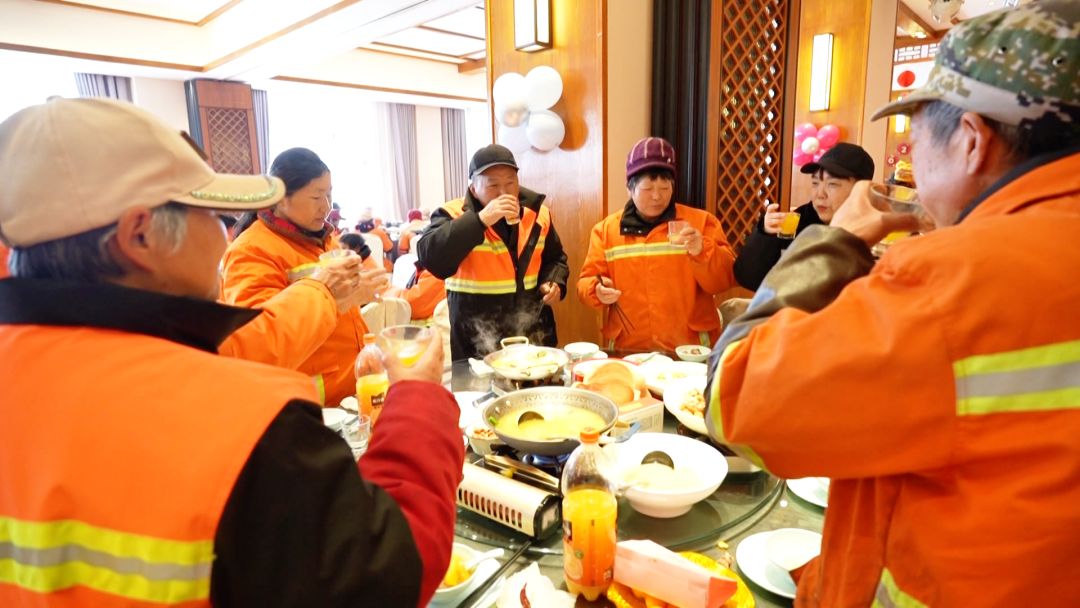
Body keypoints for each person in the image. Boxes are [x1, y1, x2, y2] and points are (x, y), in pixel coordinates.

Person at [0, 98, 464, 607]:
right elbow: (384, 575)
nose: (225, 240)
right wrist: (417, 397)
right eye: (213, 216)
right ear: (140, 235)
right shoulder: (239, 419)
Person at [705, 2, 1080, 605]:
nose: (906, 156)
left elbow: (737, 400)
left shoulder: (951, 276)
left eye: (916, 132)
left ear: (971, 140)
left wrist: (838, 240)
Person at [222, 148, 387, 406]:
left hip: (348, 395)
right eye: (316, 197)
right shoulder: (252, 250)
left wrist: (358, 294)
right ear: (280, 199)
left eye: (329, 195)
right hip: (307, 404)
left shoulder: (324, 240)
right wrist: (337, 296)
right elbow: (258, 343)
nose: (327, 206)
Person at [577, 137, 737, 351]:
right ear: (629, 188)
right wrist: (596, 290)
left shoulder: (701, 223)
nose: (657, 196)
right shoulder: (606, 231)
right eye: (647, 188)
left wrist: (702, 250)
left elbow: (725, 280)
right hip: (630, 349)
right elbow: (585, 282)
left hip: (690, 350)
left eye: (665, 187)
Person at [418, 144, 569, 360]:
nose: (504, 193)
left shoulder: (538, 214)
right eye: (493, 185)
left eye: (510, 182)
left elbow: (556, 259)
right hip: (475, 344)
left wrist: (554, 282)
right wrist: (481, 220)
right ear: (473, 189)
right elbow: (431, 258)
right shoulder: (452, 214)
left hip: (533, 338)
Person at [732, 143, 875, 290]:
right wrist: (765, 234)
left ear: (862, 189)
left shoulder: (878, 230)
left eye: (832, 184)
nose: (820, 194)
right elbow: (748, 279)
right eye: (815, 183)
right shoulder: (797, 223)